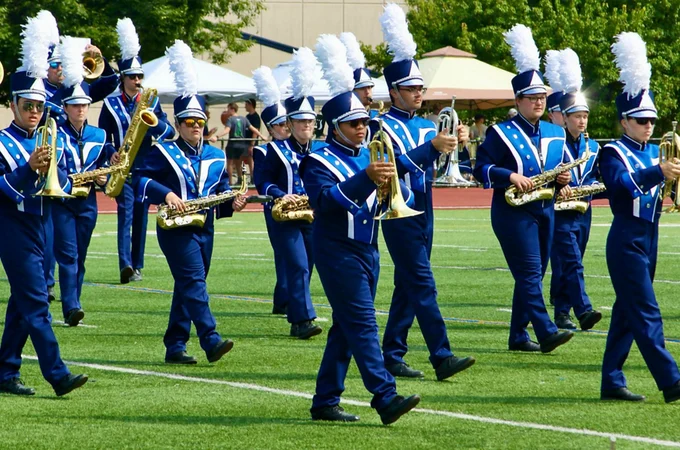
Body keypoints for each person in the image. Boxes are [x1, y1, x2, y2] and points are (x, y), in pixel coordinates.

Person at [302, 33, 420, 424]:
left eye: (364, 122)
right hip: (337, 249)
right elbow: (327, 202)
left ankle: (324, 401)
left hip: (368, 249)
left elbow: (400, 167)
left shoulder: (371, 153)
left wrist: (434, 147)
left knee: (346, 327)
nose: (362, 128)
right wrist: (367, 177)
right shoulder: (317, 160)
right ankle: (384, 396)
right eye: (353, 123)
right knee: (364, 323)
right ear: (334, 127)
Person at [374, 4, 475, 380]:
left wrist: (458, 144)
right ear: (395, 91)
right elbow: (389, 166)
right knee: (422, 282)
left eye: (421, 87)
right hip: (396, 211)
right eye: (412, 88)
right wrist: (432, 147)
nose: (419, 93)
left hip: (425, 206)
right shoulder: (378, 124)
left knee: (407, 284)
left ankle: (392, 352)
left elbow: (440, 164)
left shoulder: (426, 124)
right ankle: (441, 355)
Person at [134, 40, 246, 364]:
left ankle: (175, 345)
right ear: (179, 123)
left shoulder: (215, 155)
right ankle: (210, 339)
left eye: (200, 122)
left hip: (204, 227)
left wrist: (231, 205)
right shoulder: (164, 150)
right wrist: (167, 194)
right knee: (194, 281)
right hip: (174, 226)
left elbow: (220, 191)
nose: (195, 128)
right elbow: (139, 179)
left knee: (188, 284)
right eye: (189, 122)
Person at [0, 11, 87, 397]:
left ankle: (5, 371)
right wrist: (27, 170)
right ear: (14, 105)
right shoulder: (2, 142)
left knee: (23, 302)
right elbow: (1, 186)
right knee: (37, 302)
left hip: (45, 222)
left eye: (39, 106)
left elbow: (64, 181)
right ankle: (57, 373)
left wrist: (60, 172)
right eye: (28, 105)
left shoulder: (51, 138)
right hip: (12, 225)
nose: (35, 112)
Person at [473, 24, 574, 353]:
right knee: (530, 271)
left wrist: (562, 180)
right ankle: (545, 331)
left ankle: (518, 335)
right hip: (511, 211)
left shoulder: (555, 132)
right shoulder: (499, 132)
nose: (539, 101)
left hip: (546, 208)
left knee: (534, 273)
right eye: (532, 97)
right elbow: (479, 168)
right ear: (517, 100)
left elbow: (558, 170)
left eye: (542, 96)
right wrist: (509, 175)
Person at [599, 32, 680, 403]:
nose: (648, 126)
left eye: (651, 120)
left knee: (627, 312)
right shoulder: (612, 151)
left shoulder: (655, 153)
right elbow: (619, 187)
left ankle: (612, 380)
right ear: (624, 121)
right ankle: (671, 380)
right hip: (626, 238)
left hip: (650, 236)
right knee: (646, 312)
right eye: (640, 120)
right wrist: (658, 173)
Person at [98, 18, 173, 284]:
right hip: (122, 165)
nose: (137, 80)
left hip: (145, 165)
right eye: (132, 77)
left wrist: (150, 121)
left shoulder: (150, 102)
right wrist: (110, 153)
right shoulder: (110, 104)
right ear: (123, 78)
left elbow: (168, 130)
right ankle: (125, 265)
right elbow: (102, 137)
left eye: (140, 76)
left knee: (141, 214)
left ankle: (138, 264)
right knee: (125, 213)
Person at [52, 37, 116, 327]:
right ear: (65, 108)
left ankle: (73, 302)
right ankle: (71, 305)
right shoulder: (54, 132)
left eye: (84, 105)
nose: (80, 110)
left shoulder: (100, 136)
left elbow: (107, 161)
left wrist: (106, 173)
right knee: (67, 255)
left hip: (88, 200)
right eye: (75, 106)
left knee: (81, 254)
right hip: (62, 201)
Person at [260, 47, 323, 339]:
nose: (306, 126)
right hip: (284, 215)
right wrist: (278, 194)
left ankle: (298, 313)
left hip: (313, 215)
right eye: (300, 122)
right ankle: (302, 320)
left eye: (310, 122)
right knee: (297, 265)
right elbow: (263, 180)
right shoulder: (274, 149)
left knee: (307, 267)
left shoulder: (323, 151)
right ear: (291, 124)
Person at [549, 48, 602, 331]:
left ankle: (561, 311)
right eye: (576, 116)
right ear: (565, 118)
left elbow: (597, 175)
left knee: (571, 261)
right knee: (571, 262)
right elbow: (541, 175)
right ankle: (583, 311)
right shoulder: (554, 144)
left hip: (584, 210)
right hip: (559, 211)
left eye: (585, 116)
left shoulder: (593, 146)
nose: (582, 121)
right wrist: (558, 185)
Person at [252, 66, 291, 315]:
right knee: (285, 252)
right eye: (280, 125)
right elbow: (261, 181)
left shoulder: (298, 148)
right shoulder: (263, 150)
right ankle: (285, 299)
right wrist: (279, 194)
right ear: (271, 128)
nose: (286, 128)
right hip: (276, 206)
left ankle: (284, 299)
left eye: (287, 123)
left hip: (301, 206)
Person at [216, 103, 264, 184]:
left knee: (230, 164)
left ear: (232, 109)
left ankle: (230, 182)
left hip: (232, 144)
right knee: (239, 162)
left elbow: (227, 130)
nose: (227, 111)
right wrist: (262, 136)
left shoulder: (230, 119)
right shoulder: (244, 119)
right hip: (242, 144)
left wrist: (217, 136)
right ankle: (241, 179)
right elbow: (253, 129)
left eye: (228, 109)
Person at [244, 99, 262, 181]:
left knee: (252, 161)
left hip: (252, 143)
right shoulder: (247, 116)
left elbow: (256, 131)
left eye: (246, 104)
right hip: (245, 142)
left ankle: (253, 178)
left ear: (250, 105)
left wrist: (252, 144)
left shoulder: (255, 117)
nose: (245, 106)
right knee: (247, 160)